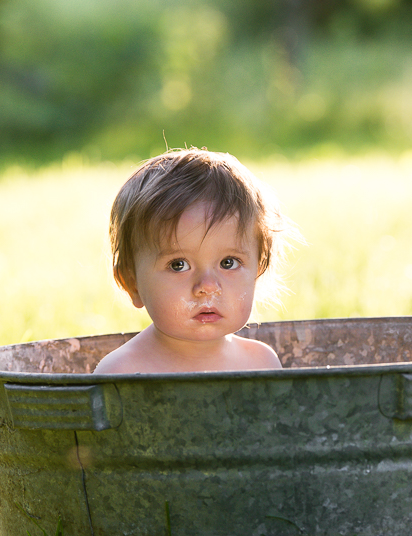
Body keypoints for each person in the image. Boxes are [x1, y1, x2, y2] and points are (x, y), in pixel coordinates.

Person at [95, 148, 297, 374]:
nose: (208, 286)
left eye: (228, 262)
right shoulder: (123, 372)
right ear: (131, 283)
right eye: (178, 265)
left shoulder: (261, 363)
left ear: (257, 272)